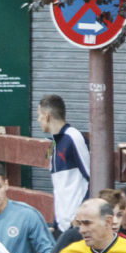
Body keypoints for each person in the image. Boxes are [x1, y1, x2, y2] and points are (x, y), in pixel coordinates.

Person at [38, 94, 90, 231]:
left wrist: (81, 216)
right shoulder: (52, 144)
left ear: (47, 116)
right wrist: (56, 223)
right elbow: (59, 187)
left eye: (39, 115)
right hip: (62, 226)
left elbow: (92, 177)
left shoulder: (74, 137)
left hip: (77, 226)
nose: (38, 120)